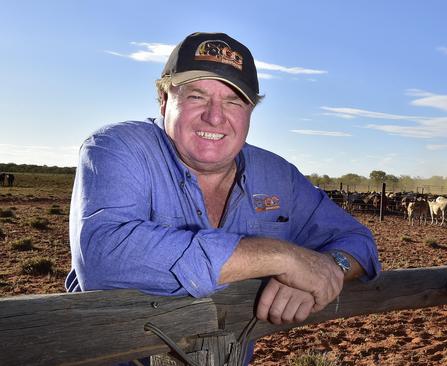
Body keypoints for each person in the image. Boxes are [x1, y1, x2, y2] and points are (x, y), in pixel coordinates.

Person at [65, 32, 380, 363]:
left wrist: (329, 267)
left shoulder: (277, 175)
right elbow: (105, 257)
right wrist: (282, 258)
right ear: (163, 100)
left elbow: (357, 240)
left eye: (233, 101)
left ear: (250, 111)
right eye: (196, 96)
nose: (215, 117)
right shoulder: (119, 148)